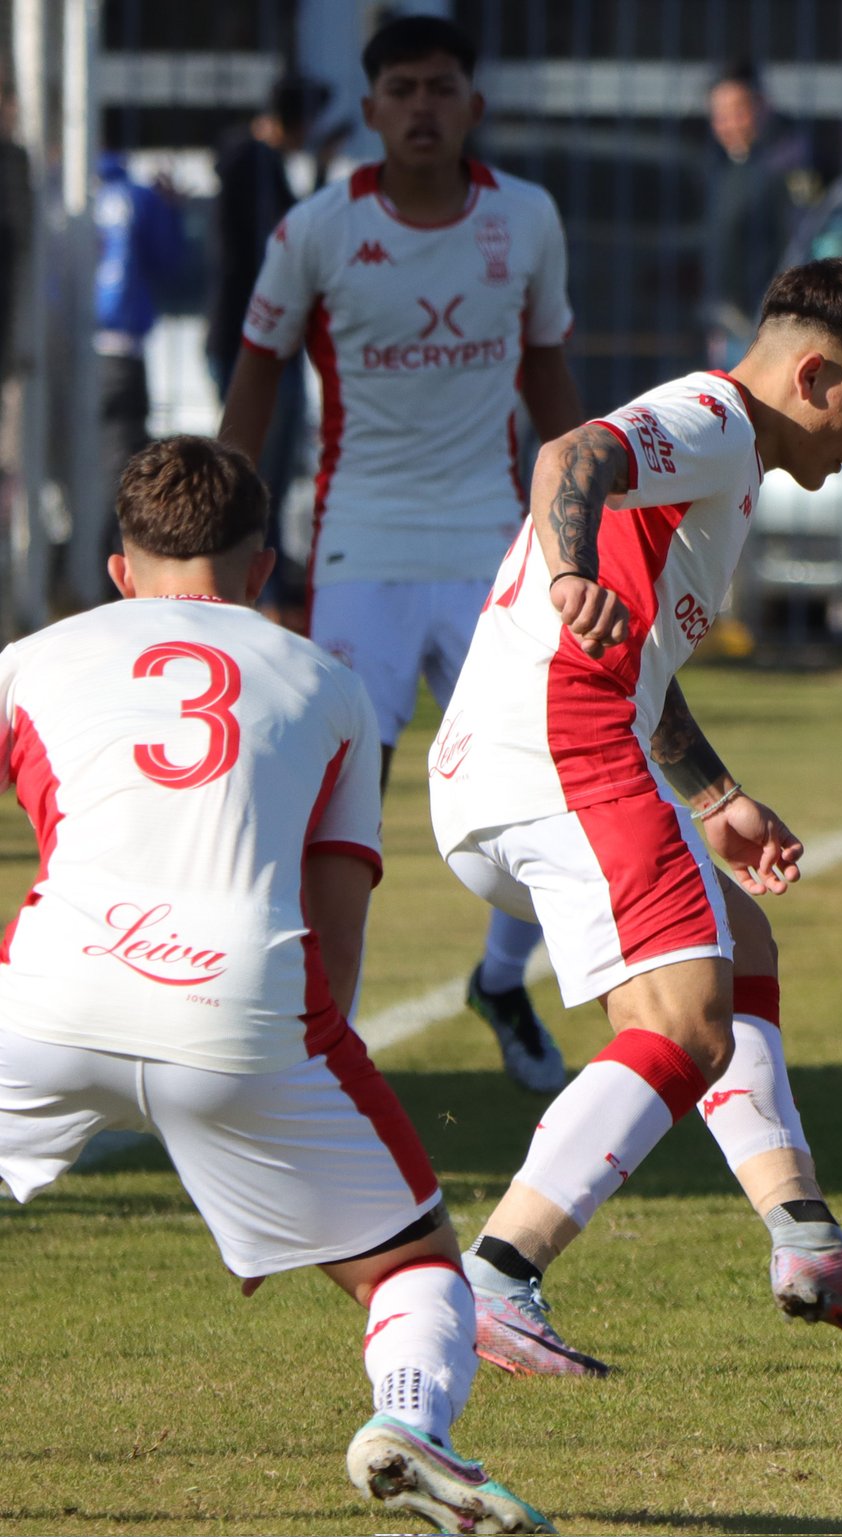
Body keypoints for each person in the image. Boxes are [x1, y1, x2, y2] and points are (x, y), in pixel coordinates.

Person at [0, 436, 548, 1534]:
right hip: (241, 1006)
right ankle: (409, 1420)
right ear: (263, 570)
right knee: (418, 1270)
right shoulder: (332, 685)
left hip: (46, 993)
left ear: (119, 570)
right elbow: (334, 938)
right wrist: (272, 1159)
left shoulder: (28, 659)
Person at [427, 257, 842, 1374]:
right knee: (682, 1023)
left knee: (739, 942)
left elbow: (645, 659)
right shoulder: (715, 416)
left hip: (528, 756)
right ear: (812, 375)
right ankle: (494, 1278)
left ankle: (806, 1238)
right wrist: (571, 570)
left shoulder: (724, 458)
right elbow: (572, 456)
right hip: (557, 746)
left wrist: (713, 795)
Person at [219, 15, 578, 1095]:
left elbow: (551, 381)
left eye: (442, 87)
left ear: (473, 105)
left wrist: (585, 528)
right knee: (346, 806)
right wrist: (220, 533)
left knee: (552, 776)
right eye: (402, 90)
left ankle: (502, 980)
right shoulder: (315, 230)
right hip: (360, 549)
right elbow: (257, 370)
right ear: (370, 111)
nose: (423, 107)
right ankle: (320, 1047)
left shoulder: (527, 219)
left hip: (489, 544)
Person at [207, 70, 333, 616]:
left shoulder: (251, 162)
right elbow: (292, 238)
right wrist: (324, 169)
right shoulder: (252, 164)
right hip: (251, 342)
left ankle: (261, 588)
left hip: (251, 338)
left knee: (265, 476)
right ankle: (257, 591)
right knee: (261, 477)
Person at [92, 151, 186, 603]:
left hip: (66, 348)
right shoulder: (139, 198)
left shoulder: (63, 188)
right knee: (124, 465)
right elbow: (171, 262)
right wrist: (171, 211)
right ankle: (110, 582)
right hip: (123, 349)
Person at [702, 61, 820, 367]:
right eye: (720, 115)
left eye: (738, 111)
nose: (729, 123)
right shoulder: (724, 166)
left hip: (768, 327)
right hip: (727, 326)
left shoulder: (786, 163)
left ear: (762, 107)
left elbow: (798, 244)